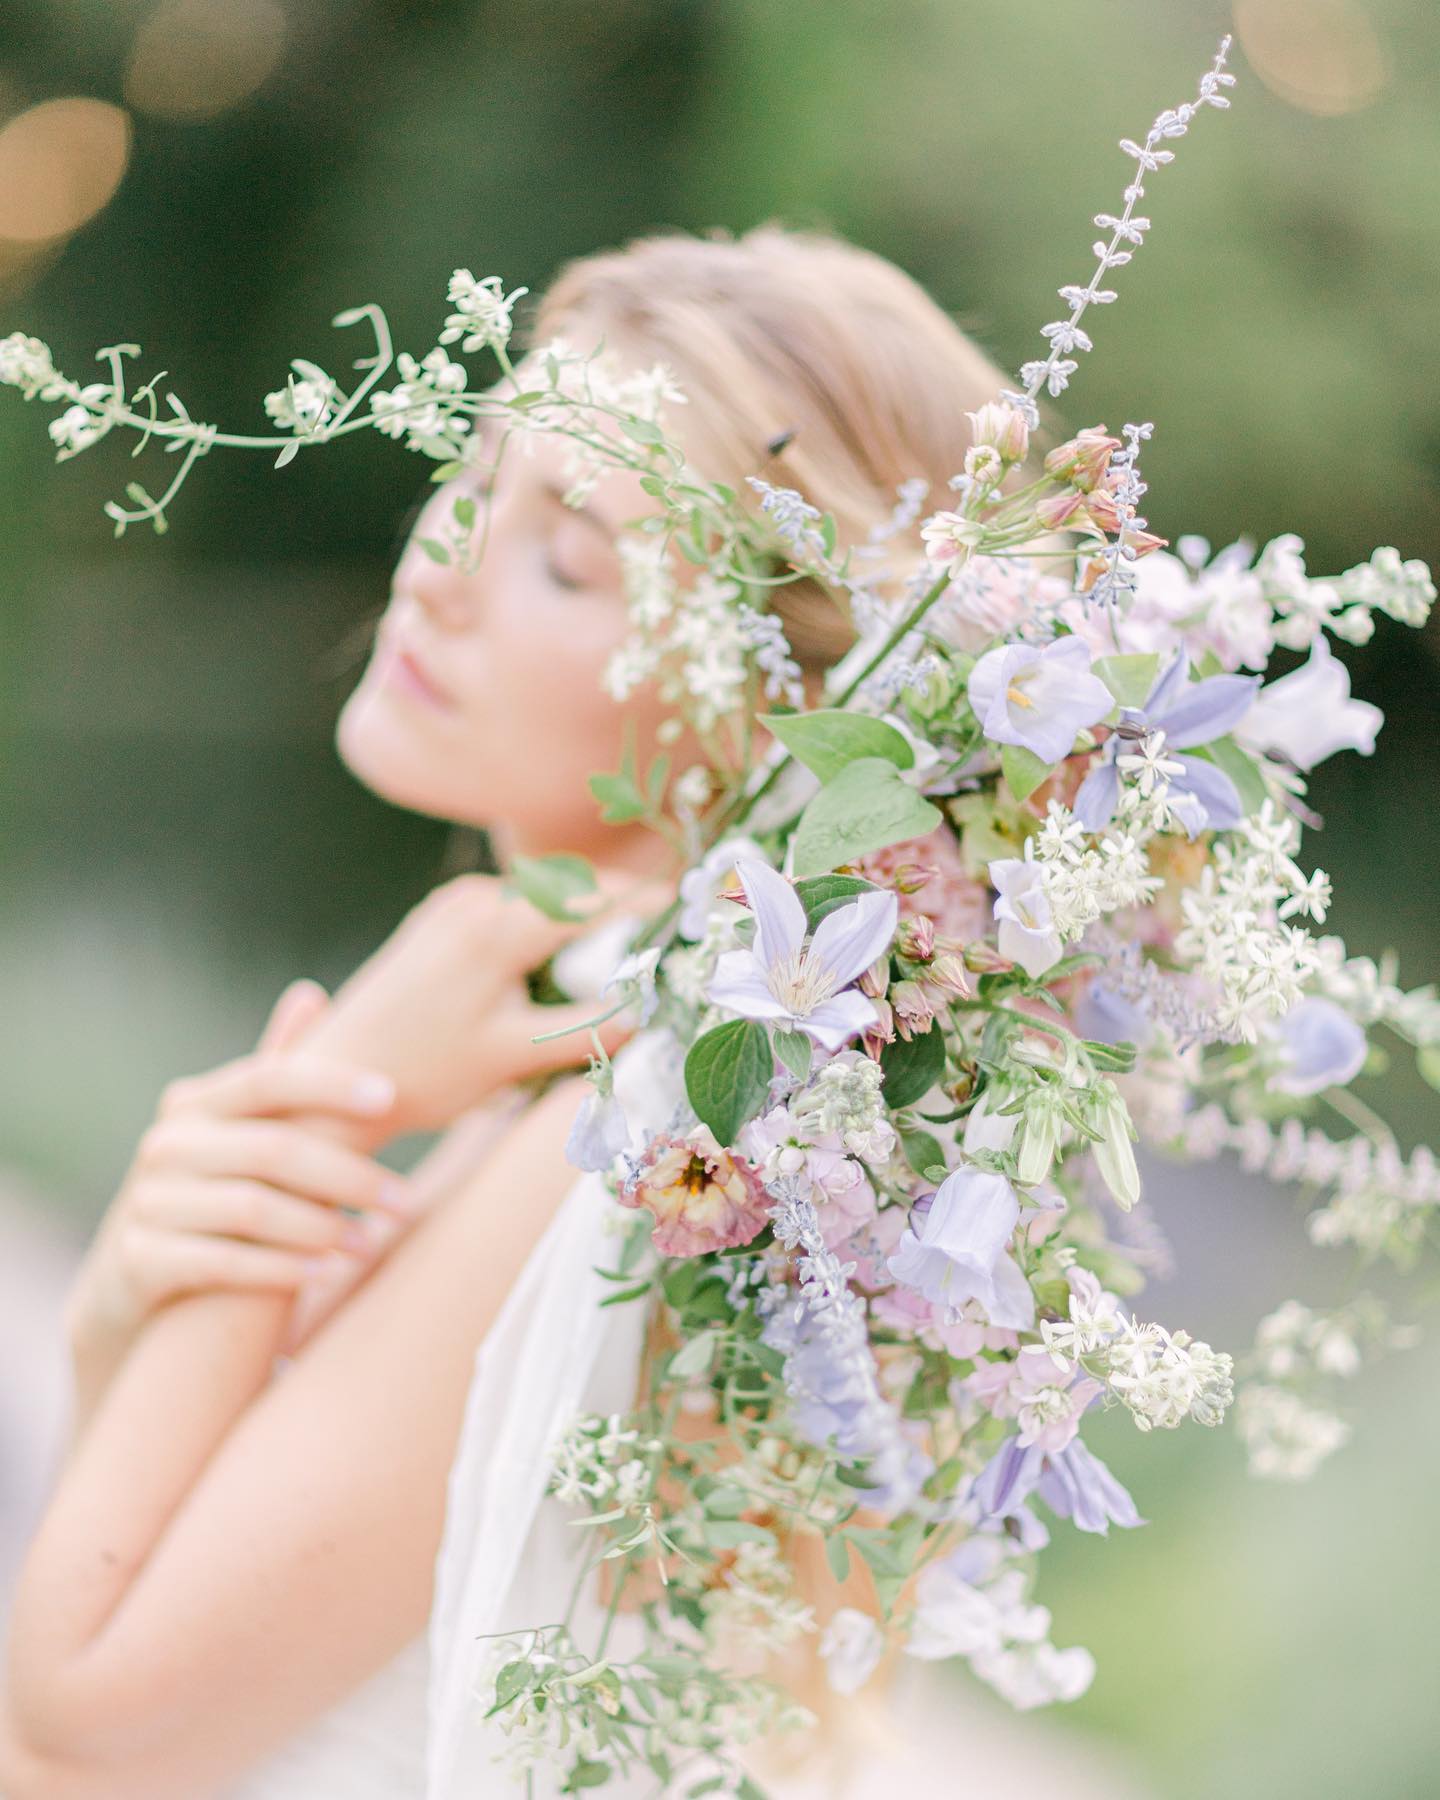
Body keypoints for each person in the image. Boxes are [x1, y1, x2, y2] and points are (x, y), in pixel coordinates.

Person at [0, 225, 1134, 1800]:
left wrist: (310, 1107)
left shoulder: (641, 1154)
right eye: (475, 477)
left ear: (779, 698)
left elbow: (73, 1733)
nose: (435, 566)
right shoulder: (651, 1113)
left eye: (565, 558)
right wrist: (132, 1301)